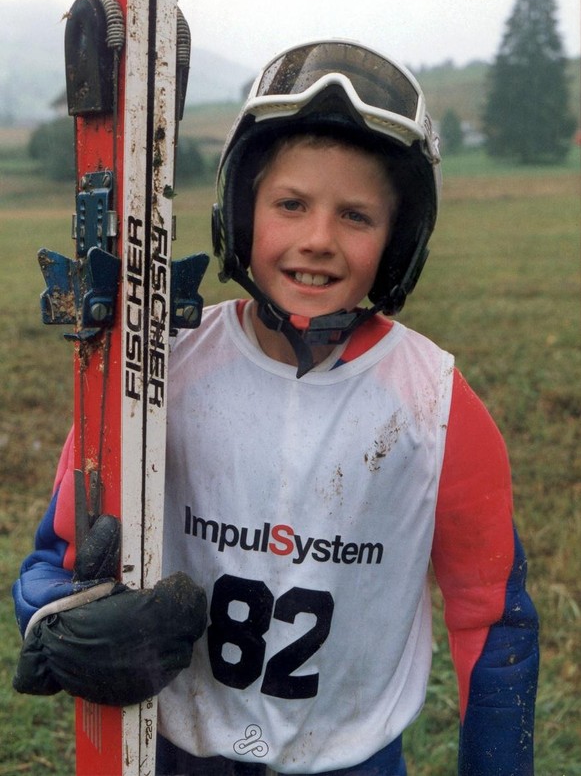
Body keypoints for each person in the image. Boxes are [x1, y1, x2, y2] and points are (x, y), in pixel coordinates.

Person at [13, 40, 539, 775]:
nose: (318, 239)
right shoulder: (157, 372)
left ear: (398, 239)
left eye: (356, 215)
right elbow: (55, 557)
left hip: (351, 761)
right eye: (290, 204)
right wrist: (59, 619)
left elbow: (495, 620)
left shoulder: (438, 405)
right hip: (177, 752)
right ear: (243, 209)